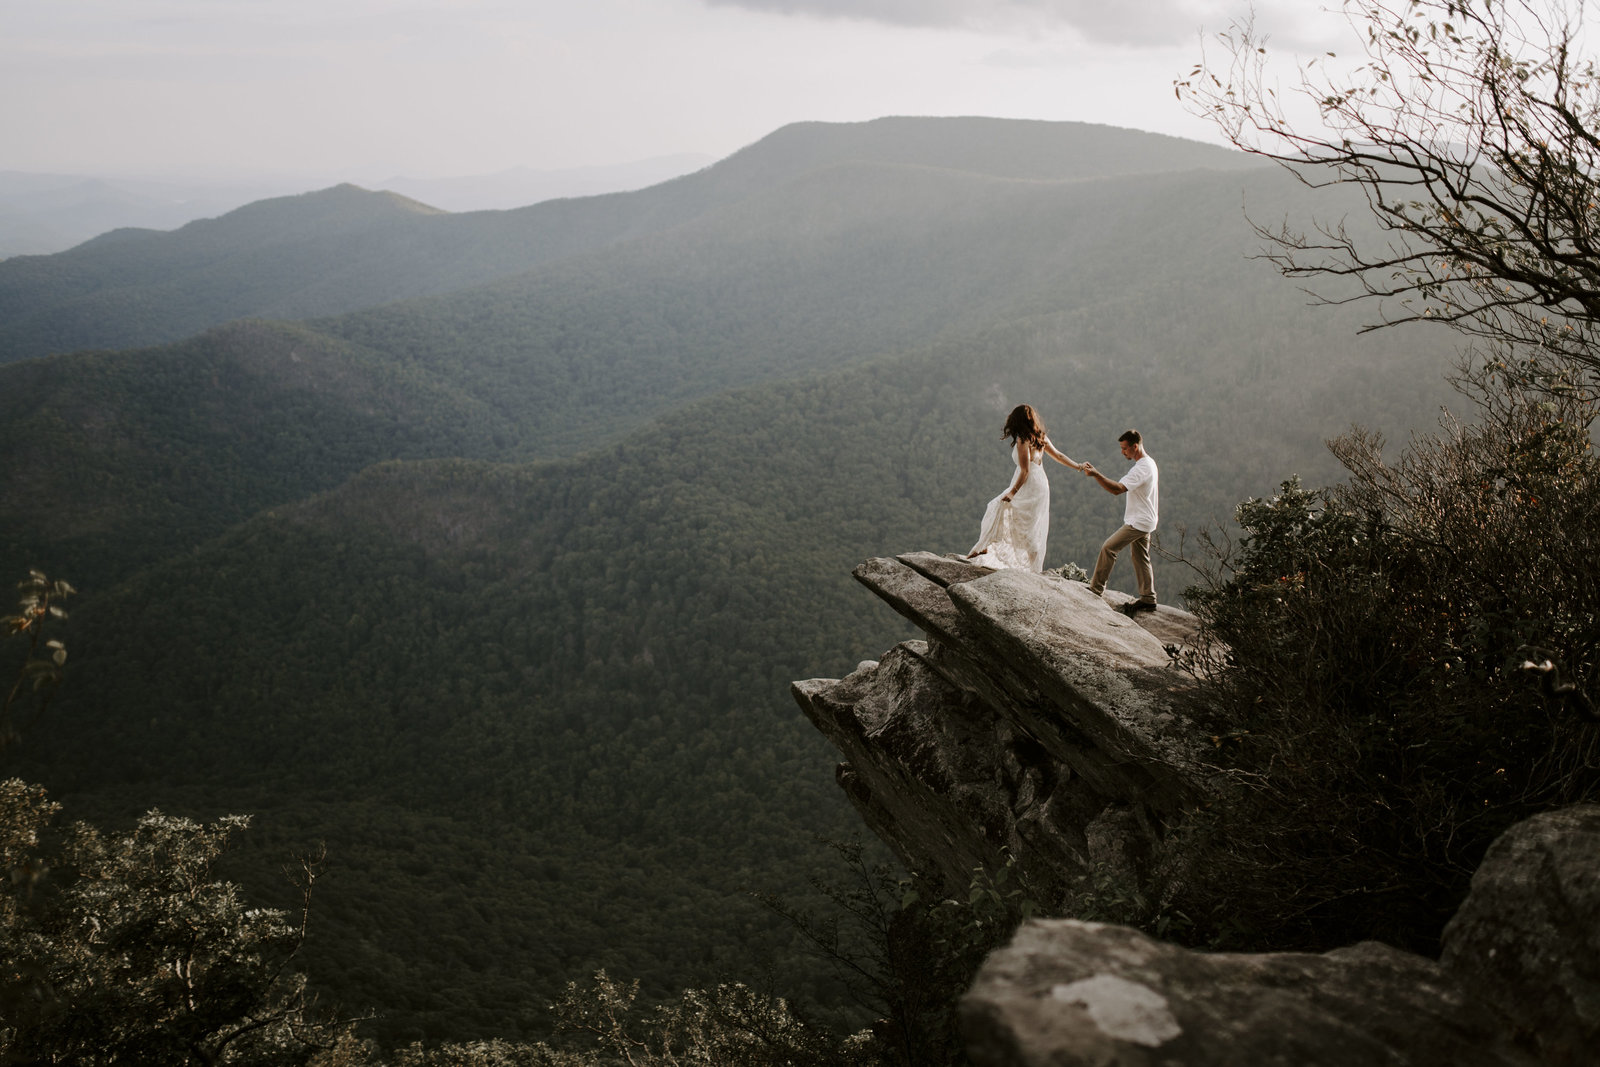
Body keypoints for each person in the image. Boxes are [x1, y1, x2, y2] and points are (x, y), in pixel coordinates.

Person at [966, 404, 1084, 571]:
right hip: (1041, 482)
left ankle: (986, 545)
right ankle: (1027, 564)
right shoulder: (1040, 436)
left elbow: (1025, 470)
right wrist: (1078, 466)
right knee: (1031, 524)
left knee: (998, 505)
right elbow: (1058, 455)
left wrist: (1013, 492)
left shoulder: (1023, 439)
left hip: (1028, 483)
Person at [1083, 429, 1159, 614]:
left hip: (1139, 521)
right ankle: (1148, 598)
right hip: (1147, 519)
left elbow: (1117, 489)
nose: (1122, 452)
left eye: (1125, 449)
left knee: (1109, 548)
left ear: (1135, 446)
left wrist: (1096, 475)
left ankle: (1096, 589)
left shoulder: (1142, 468)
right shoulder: (1149, 463)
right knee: (1140, 557)